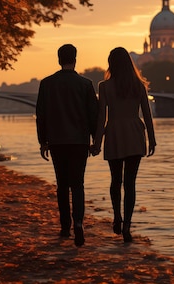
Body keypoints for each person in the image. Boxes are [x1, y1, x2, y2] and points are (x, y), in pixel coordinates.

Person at [91, 47, 156, 243]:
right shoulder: (139, 85)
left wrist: (97, 142)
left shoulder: (104, 86)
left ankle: (117, 216)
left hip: (115, 134)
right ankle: (127, 224)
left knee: (115, 180)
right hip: (135, 133)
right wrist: (152, 138)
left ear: (111, 63)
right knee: (130, 183)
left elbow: (102, 116)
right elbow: (146, 113)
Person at [36, 44, 98, 247]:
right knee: (77, 184)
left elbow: (41, 115)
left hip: (56, 141)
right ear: (76, 59)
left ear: (58, 59)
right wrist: (95, 141)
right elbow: (93, 116)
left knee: (62, 184)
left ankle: (65, 226)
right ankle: (79, 222)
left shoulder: (47, 84)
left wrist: (42, 141)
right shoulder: (86, 84)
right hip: (79, 141)